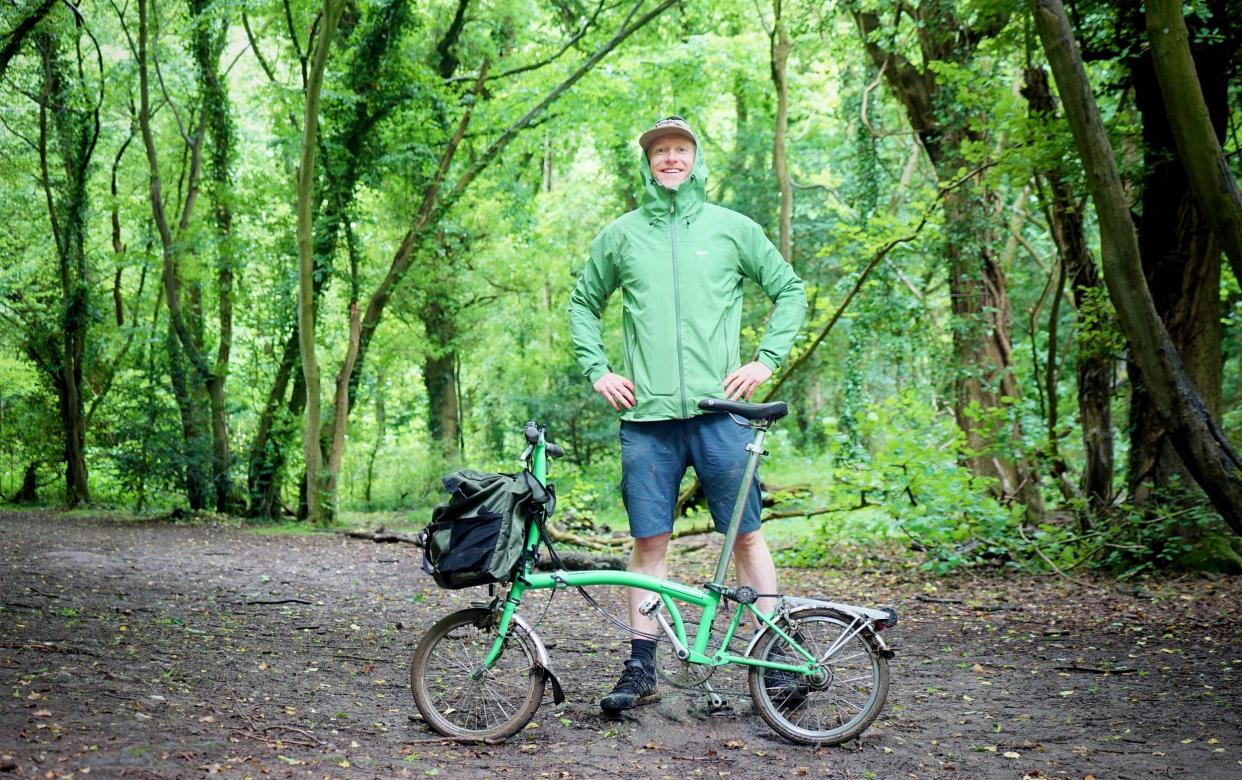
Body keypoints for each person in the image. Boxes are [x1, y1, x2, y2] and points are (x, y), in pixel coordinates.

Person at [569, 116, 808, 713]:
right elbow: (582, 303)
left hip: (720, 412)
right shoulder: (622, 235)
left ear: (696, 159)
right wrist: (599, 369)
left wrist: (765, 361)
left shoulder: (731, 229)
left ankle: (776, 656)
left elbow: (790, 290)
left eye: (680, 149)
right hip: (646, 419)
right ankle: (641, 665)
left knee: (746, 533)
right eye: (659, 151)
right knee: (649, 540)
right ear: (648, 162)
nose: (670, 159)